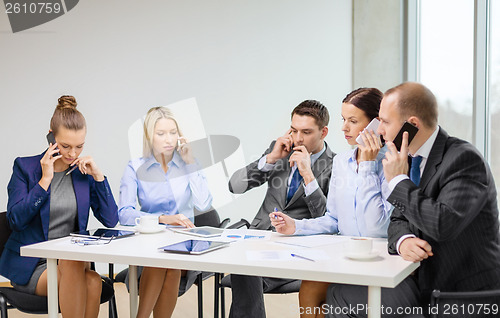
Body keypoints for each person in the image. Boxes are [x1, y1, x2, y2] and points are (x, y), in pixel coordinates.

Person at [325, 82, 500, 317]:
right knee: (340, 292)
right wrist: (403, 240)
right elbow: (397, 220)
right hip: (419, 280)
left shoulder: (464, 159)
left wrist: (398, 180)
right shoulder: (408, 158)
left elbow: (442, 224)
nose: (380, 130)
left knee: (345, 295)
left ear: (412, 125)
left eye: (385, 122)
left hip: (459, 293)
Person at [269, 88, 392, 318]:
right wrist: (295, 226)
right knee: (310, 289)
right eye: (343, 119)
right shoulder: (342, 161)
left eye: (353, 121)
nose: (344, 127)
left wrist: (367, 165)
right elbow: (333, 219)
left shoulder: (391, 161)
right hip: (345, 256)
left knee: (326, 309)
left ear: (376, 124)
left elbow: (377, 229)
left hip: (378, 260)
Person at [0, 95, 119, 318]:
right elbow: (15, 221)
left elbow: (111, 219)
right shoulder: (25, 168)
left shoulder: (84, 174)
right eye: (65, 146)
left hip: (72, 263)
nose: (73, 154)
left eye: (79, 146)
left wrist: (99, 177)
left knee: (93, 280)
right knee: (79, 268)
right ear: (51, 136)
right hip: (32, 266)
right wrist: (44, 181)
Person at [228, 99, 335, 318]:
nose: (298, 138)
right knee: (244, 264)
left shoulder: (335, 164)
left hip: (300, 247)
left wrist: (308, 175)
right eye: (294, 130)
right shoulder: (279, 152)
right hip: (262, 240)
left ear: (323, 132)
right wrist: (271, 158)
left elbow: (327, 218)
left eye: (306, 132)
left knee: (245, 268)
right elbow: (234, 186)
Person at [119, 106, 213, 318]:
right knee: (161, 260)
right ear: (149, 136)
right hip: (149, 245)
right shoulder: (135, 167)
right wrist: (161, 219)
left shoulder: (188, 164)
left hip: (183, 244)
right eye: (161, 134)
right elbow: (124, 214)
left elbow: (204, 203)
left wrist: (190, 164)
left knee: (168, 261)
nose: (169, 139)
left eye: (173, 132)